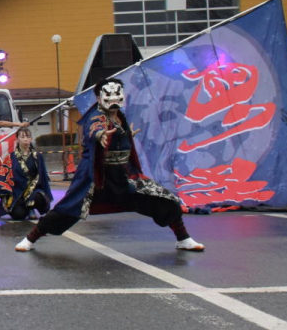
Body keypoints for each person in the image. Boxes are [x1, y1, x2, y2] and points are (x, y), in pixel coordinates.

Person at [15, 79, 204, 253]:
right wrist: (100, 135)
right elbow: (94, 128)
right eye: (108, 96)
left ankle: (183, 238)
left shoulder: (119, 116)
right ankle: (30, 238)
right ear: (98, 98)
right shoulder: (97, 116)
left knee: (164, 198)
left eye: (117, 95)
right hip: (97, 178)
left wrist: (127, 136)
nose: (113, 99)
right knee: (68, 209)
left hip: (124, 175)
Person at [0, 127, 52, 221]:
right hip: (16, 193)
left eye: (28, 136)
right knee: (18, 215)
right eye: (22, 136)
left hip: (33, 191)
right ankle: (25, 209)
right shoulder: (10, 157)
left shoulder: (37, 156)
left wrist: (47, 197)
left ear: (31, 139)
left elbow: (43, 177)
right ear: (17, 139)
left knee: (39, 197)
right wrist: (5, 199)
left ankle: (31, 207)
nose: (25, 139)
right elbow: (3, 178)